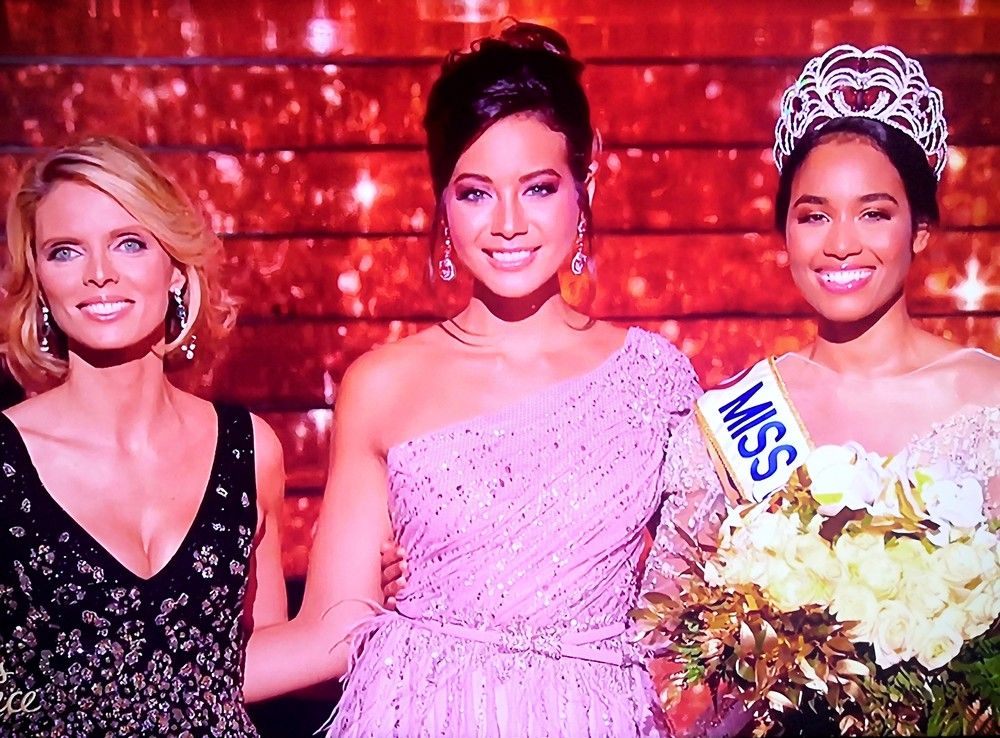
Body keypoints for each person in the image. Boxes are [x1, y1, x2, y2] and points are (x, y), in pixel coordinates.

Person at [244, 22, 701, 737]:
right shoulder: (383, 385)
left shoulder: (656, 382)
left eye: (538, 188)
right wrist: (108, 685)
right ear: (442, 201)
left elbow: (700, 614)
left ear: (584, 185)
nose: (509, 224)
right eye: (476, 194)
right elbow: (333, 631)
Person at [642, 44, 1000, 737]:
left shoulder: (988, 399)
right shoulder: (729, 418)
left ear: (920, 230)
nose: (841, 244)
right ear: (784, 233)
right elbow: (667, 645)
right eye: (813, 216)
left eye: (874, 213)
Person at [0, 136, 287, 737]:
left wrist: (404, 594)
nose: (100, 274)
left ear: (176, 268)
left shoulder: (249, 449)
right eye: (65, 252)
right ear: (41, 281)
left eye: (129, 243)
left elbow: (255, 661)